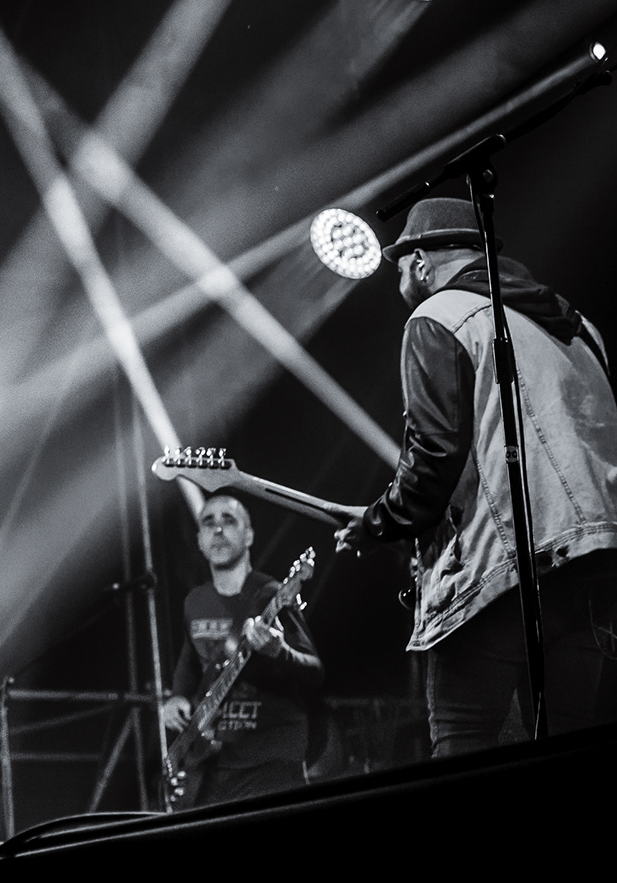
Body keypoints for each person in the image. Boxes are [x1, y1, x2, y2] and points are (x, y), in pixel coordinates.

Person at [335, 198, 617, 756]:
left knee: (462, 745)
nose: (398, 277)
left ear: (421, 263)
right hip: (594, 567)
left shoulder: (437, 317)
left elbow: (434, 457)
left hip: (503, 572)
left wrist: (378, 522)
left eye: (400, 264)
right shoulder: (581, 327)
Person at [161, 494, 324, 805]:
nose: (218, 530)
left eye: (229, 521)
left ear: (249, 536)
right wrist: (178, 696)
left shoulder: (272, 594)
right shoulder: (195, 601)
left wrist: (279, 651)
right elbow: (190, 661)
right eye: (209, 523)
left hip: (270, 759)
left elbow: (314, 672)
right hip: (213, 766)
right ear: (199, 540)